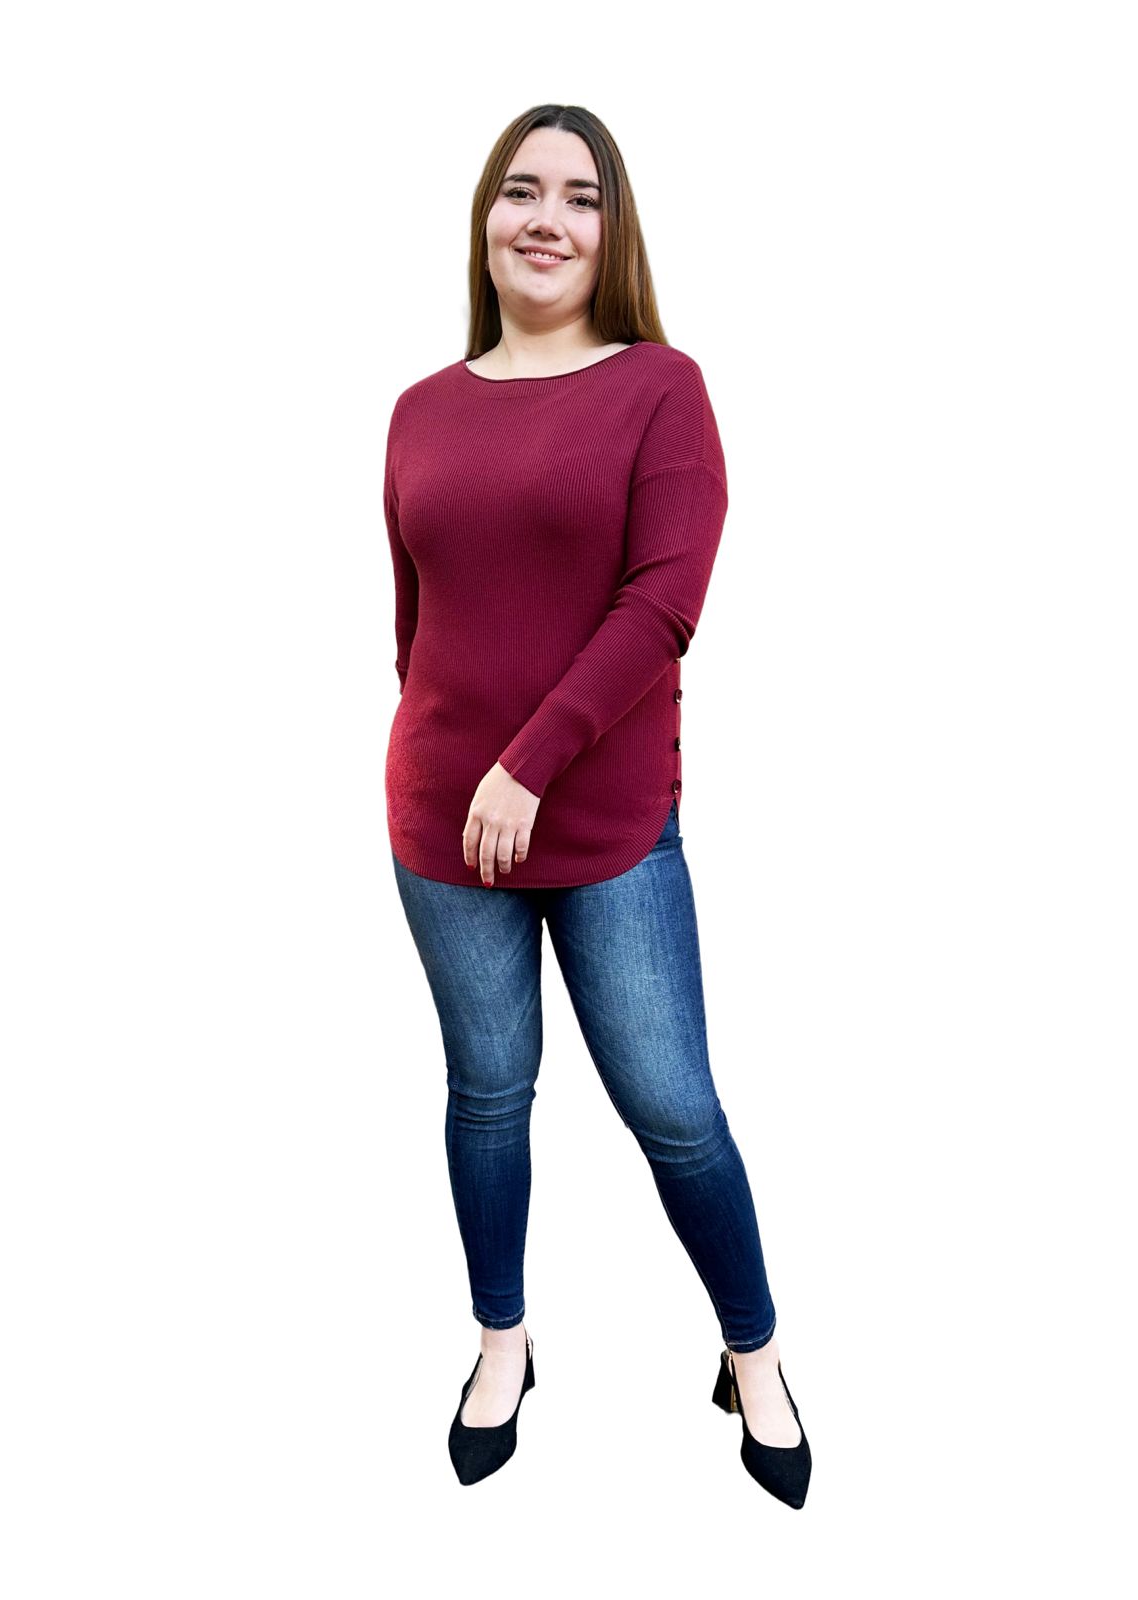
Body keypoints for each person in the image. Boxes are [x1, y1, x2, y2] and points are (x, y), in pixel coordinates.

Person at [382, 104, 811, 1509]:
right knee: (487, 1094)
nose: (546, 219)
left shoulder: (660, 389)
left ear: (613, 234)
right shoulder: (420, 411)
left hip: (605, 828)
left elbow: (663, 606)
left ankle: (752, 1351)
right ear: (485, 221)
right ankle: (502, 1342)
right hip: (444, 829)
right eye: (521, 191)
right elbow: (418, 625)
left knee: (674, 1107)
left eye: (580, 197)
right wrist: (448, 766)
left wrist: (527, 761)